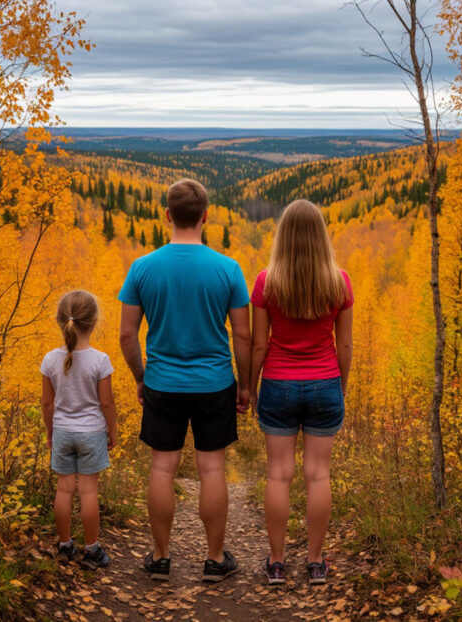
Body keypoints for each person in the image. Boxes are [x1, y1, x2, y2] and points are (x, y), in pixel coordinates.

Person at [118, 178, 252, 582]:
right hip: (214, 383)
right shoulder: (228, 269)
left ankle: (160, 558)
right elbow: (243, 335)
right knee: (212, 469)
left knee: (162, 469)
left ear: (166, 216)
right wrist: (245, 386)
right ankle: (214, 560)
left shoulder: (142, 268)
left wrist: (142, 378)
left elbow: (127, 335)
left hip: (162, 382)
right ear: (206, 216)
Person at [249, 199, 353, 586]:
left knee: (278, 476)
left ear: (283, 237)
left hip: (278, 384)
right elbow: (345, 347)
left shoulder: (266, 281)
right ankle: (314, 562)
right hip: (325, 382)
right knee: (317, 475)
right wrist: (339, 388)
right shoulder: (339, 281)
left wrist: (252, 386)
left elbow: (259, 345)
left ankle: (276, 563)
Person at [40, 290, 118, 569]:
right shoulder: (100, 360)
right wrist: (113, 431)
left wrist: (50, 433)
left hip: (62, 431)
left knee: (63, 491)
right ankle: (92, 549)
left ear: (61, 322)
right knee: (88, 493)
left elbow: (47, 403)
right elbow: (106, 403)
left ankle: (64, 546)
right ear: (94, 322)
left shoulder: (50, 360)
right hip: (91, 433)